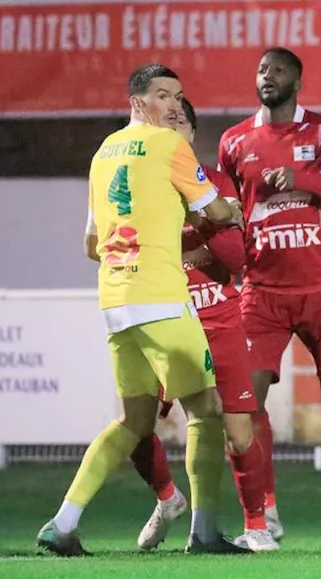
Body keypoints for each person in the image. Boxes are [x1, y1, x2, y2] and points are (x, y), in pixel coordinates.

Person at [36, 63, 243, 557]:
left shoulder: (103, 153)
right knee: (207, 410)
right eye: (162, 95)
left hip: (115, 299)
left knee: (133, 420)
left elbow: (91, 244)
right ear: (137, 102)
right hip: (161, 296)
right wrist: (228, 212)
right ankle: (205, 532)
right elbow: (216, 212)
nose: (173, 105)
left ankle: (63, 524)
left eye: (178, 96)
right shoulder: (171, 145)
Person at [218, 47, 321, 545]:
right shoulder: (233, 141)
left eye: (279, 70)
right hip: (262, 292)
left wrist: (306, 180)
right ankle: (264, 513)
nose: (269, 76)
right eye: (263, 70)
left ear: (298, 81)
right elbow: (224, 214)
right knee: (245, 404)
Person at [129, 98, 277, 553]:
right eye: (164, 120)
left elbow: (235, 260)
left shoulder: (213, 184)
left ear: (192, 134)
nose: (172, 126)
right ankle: (167, 498)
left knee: (237, 427)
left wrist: (202, 221)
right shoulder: (139, 186)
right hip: (162, 315)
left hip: (216, 313)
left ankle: (255, 524)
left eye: (180, 120)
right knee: (134, 427)